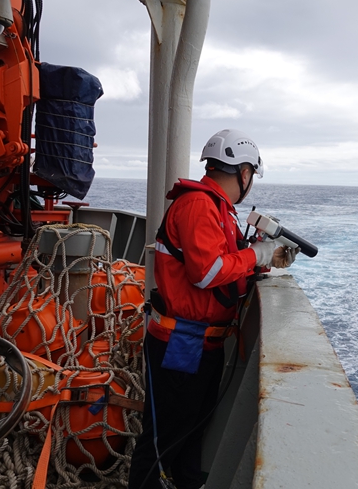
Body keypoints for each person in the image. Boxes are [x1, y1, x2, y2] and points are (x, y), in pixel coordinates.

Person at [128, 129, 295, 489]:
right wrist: (257, 253)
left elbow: (230, 266)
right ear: (245, 173)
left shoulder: (219, 210)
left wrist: (267, 259)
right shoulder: (198, 206)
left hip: (204, 342)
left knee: (192, 431)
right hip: (181, 342)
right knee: (163, 438)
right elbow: (206, 273)